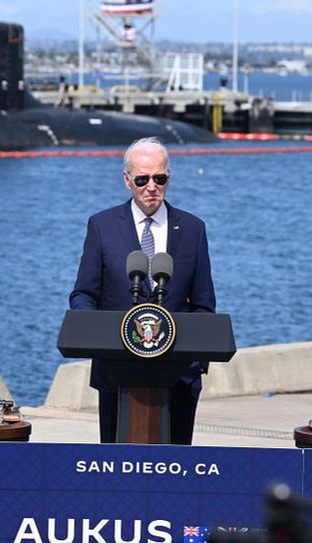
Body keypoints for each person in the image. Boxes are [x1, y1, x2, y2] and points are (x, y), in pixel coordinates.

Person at [70, 137, 216, 444]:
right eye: (142, 179)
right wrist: (97, 337)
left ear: (168, 177)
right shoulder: (102, 226)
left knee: (175, 464)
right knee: (117, 464)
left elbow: (203, 303)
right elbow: (83, 295)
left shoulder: (192, 229)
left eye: (159, 179)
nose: (152, 187)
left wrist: (195, 364)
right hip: (116, 373)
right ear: (127, 180)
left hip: (178, 376)